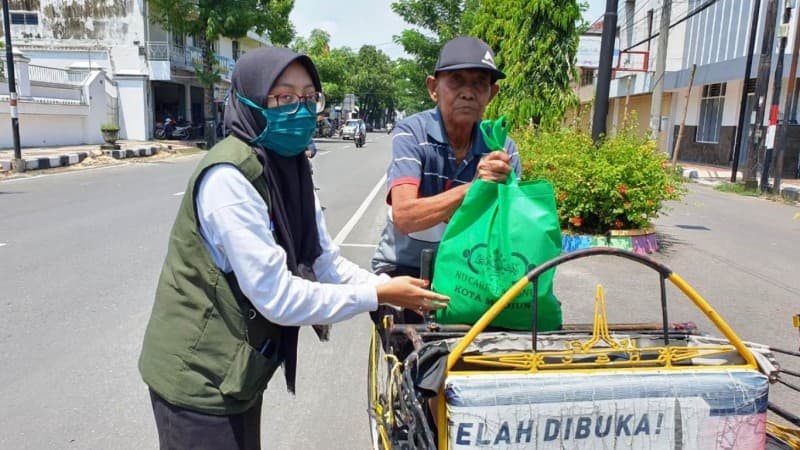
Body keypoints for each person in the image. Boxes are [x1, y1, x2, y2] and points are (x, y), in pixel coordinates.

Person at [138, 47, 448, 450]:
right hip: (197, 378)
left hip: (234, 372)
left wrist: (386, 289)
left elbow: (322, 261)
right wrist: (376, 294)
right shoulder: (230, 178)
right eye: (284, 97)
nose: (300, 110)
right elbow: (277, 296)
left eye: (308, 97)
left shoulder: (291, 168)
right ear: (250, 101)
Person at [371, 36, 521, 283]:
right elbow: (405, 217)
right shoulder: (412, 133)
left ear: (492, 94)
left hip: (471, 273)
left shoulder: (502, 148)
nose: (468, 94)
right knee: (405, 308)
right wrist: (474, 189)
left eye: (479, 84)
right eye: (456, 81)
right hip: (405, 267)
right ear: (433, 88)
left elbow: (510, 227)